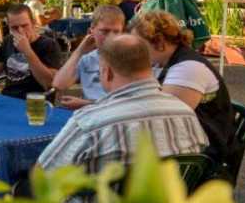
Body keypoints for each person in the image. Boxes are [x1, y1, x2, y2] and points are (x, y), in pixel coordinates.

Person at [38, 34, 208, 177]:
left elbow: (44, 174)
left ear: (107, 72)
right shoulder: (186, 114)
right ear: (149, 66)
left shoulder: (89, 123)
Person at [130, 10, 242, 182]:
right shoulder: (164, 63)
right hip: (188, 147)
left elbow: (162, 120)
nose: (135, 52)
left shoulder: (188, 69)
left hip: (201, 161)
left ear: (159, 42)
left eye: (139, 46)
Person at [51, 6, 125, 109]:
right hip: (89, 114)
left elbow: (128, 103)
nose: (111, 37)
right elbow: (59, 85)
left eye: (116, 32)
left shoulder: (128, 58)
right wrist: (79, 51)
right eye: (105, 31)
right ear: (91, 31)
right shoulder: (87, 58)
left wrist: (85, 104)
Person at [0, 5, 63, 99]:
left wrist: (27, 51)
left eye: (24, 26)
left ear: (33, 23)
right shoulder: (8, 41)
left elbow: (49, 84)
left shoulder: (48, 45)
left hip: (35, 101)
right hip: (8, 98)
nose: (21, 31)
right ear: (9, 27)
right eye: (14, 28)